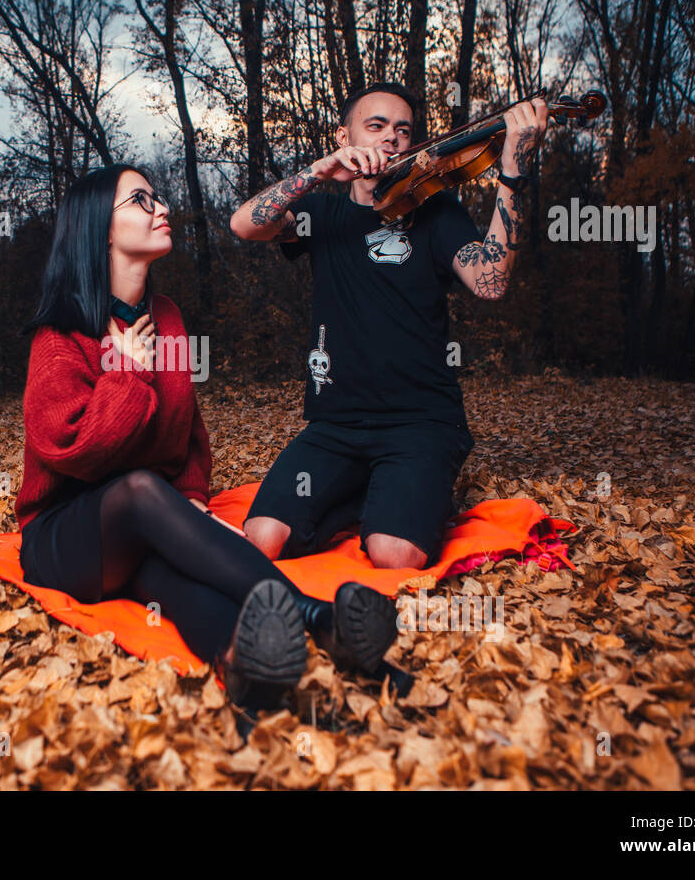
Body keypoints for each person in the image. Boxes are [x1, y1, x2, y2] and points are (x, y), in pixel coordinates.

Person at [15, 164, 399, 710]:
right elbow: (72, 453)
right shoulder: (61, 334)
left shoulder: (166, 318)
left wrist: (192, 500)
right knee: (142, 490)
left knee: (168, 576)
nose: (162, 208)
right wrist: (126, 374)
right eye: (140, 201)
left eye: (158, 197)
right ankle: (316, 613)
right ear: (100, 228)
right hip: (64, 536)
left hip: (141, 532)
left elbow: (187, 430)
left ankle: (246, 670)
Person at [229, 82, 548, 570]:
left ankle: (395, 495)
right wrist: (318, 172)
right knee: (263, 536)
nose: (391, 138)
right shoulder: (321, 212)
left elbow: (490, 282)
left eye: (403, 129)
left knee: (393, 553)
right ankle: (366, 491)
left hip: (419, 424)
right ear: (345, 136)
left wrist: (513, 171)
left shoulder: (436, 210)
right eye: (375, 126)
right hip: (334, 426)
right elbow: (245, 224)